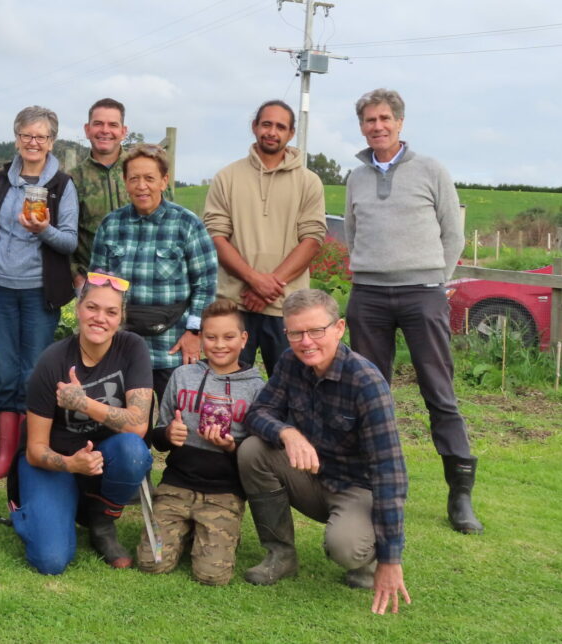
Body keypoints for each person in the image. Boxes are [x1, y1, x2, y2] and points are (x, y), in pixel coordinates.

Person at [344, 88, 482, 534]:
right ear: (362, 126)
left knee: (438, 391)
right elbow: (352, 231)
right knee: (368, 392)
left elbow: (452, 234)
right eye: (369, 120)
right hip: (368, 295)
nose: (377, 126)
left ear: (400, 122)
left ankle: (460, 493)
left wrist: (433, 280)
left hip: (422, 292)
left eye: (385, 118)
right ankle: (375, 486)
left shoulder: (431, 170)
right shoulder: (356, 178)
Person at [238, 289, 410, 615]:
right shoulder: (291, 362)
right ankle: (281, 555)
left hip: (357, 488)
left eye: (316, 330)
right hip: (313, 477)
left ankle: (369, 558)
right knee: (253, 450)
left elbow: (390, 473)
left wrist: (392, 559)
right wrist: (287, 433)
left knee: (346, 549)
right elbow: (257, 414)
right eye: (296, 333)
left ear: (339, 327)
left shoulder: (366, 382)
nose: (306, 342)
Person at [11, 272, 153, 573]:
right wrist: (71, 464)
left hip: (105, 459)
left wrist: (83, 403)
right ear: (78, 309)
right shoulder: (52, 362)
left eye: (111, 312)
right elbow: (36, 449)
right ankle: (33, 511)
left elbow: (138, 426)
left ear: (121, 317)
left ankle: (101, 525)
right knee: (50, 560)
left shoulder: (132, 348)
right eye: (92, 307)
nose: (100, 318)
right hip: (53, 461)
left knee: (133, 449)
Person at [0, 105, 79, 479]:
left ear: (52, 141)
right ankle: (5, 457)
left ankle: (28, 452)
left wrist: (43, 231)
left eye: (41, 136)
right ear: (16, 138)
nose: (33, 142)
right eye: (26, 135)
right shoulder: (1, 180)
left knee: (33, 373)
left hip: (39, 292)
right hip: (1, 288)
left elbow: (68, 242)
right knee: (4, 370)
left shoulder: (62, 185)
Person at [137, 299, 265, 585]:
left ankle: (215, 530)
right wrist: (169, 434)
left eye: (228, 337)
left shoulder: (257, 388)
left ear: (243, 339)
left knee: (212, 576)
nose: (220, 345)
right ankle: (186, 529)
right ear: (200, 337)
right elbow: (158, 436)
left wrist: (231, 446)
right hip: (176, 486)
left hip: (223, 492)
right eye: (211, 337)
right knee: (151, 563)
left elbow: (257, 454)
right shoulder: (183, 376)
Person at [203, 100, 326, 377]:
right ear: (254, 127)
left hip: (288, 308)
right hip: (235, 305)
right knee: (226, 388)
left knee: (293, 387)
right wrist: (254, 280)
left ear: (291, 133)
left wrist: (268, 285)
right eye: (266, 124)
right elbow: (216, 236)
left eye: (280, 126)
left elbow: (312, 239)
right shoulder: (227, 177)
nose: (272, 131)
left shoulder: (308, 182)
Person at [91, 144, 218, 400]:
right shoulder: (111, 225)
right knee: (123, 426)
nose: (142, 186)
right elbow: (97, 286)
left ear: (164, 181)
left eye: (149, 178)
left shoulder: (187, 224)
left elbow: (206, 283)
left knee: (177, 429)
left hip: (172, 347)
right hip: (119, 347)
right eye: (134, 178)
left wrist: (195, 333)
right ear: (125, 181)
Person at [68, 98, 129, 291]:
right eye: (98, 124)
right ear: (87, 130)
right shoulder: (72, 180)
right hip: (93, 284)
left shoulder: (141, 171)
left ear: (123, 131)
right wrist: (75, 276)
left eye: (113, 125)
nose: (105, 130)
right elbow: (63, 234)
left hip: (140, 283)